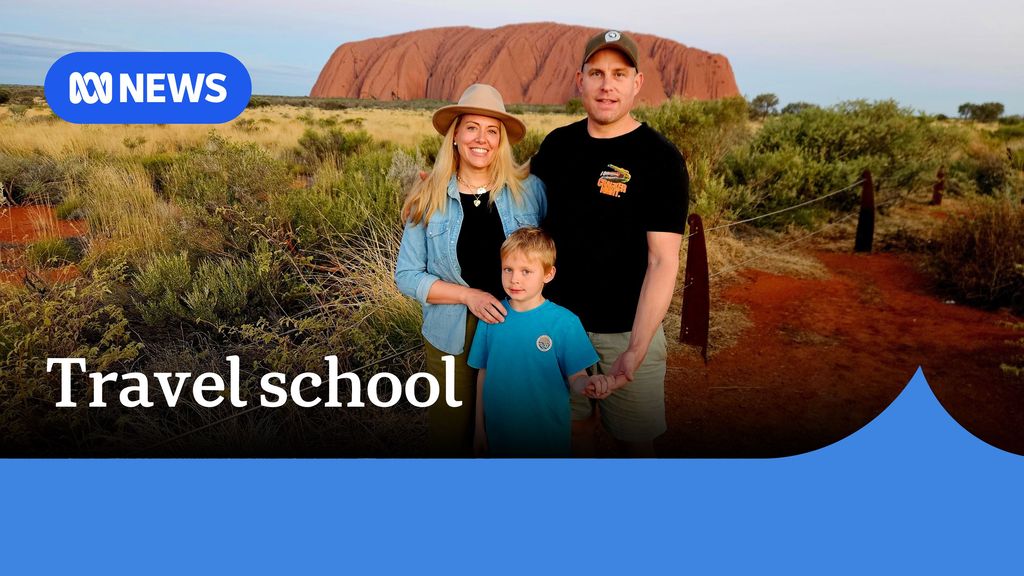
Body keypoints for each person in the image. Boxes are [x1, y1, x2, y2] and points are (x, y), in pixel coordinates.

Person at [530, 30, 690, 457]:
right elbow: (509, 182)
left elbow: (662, 262)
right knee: (571, 436)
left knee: (634, 444)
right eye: (597, 73)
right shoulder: (557, 145)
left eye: (619, 74)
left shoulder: (660, 158)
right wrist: (440, 183)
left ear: (637, 83)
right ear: (578, 80)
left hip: (626, 332)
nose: (607, 85)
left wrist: (636, 351)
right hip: (558, 329)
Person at [395, 84, 547, 457]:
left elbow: (553, 253)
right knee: (452, 437)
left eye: (492, 130)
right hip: (451, 332)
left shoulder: (529, 192)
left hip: (515, 326)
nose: (482, 139)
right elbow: (407, 275)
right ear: (456, 136)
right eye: (472, 128)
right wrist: (468, 296)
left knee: (510, 432)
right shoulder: (427, 198)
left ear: (501, 141)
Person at [467, 227, 611, 457]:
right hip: (499, 436)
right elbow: (483, 374)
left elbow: (577, 378)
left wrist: (588, 384)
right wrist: (479, 430)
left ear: (548, 274)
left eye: (526, 271)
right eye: (508, 269)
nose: (515, 279)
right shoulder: (491, 316)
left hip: (547, 438)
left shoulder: (565, 323)